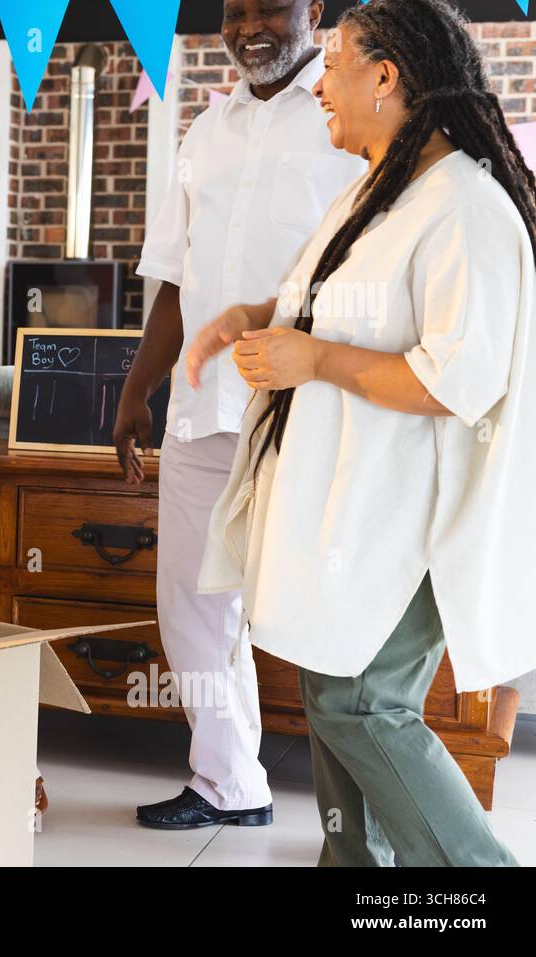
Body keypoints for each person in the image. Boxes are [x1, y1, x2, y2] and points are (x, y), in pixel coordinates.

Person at [190, 0, 532, 866]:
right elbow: (348, 301)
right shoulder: (380, 191)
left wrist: (313, 359)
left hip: (409, 522)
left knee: (362, 704)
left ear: (388, 76)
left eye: (334, 62)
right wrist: (257, 314)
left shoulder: (464, 207)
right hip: (346, 509)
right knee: (326, 683)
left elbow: (456, 379)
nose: (320, 88)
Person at [115, 0, 365, 830]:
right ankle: (230, 781)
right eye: (234, 9)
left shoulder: (349, 112)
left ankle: (362, 810)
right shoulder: (205, 130)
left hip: (314, 407)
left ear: (314, 11)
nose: (249, 23)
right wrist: (134, 390)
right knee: (190, 599)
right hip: (200, 406)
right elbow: (176, 281)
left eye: (270, 6)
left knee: (325, 604)